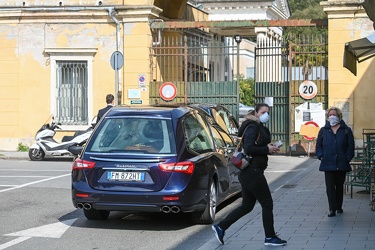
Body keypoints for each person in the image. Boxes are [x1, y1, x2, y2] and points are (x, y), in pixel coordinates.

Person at [212, 103, 287, 247]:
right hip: (252, 171)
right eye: (263, 112)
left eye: (268, 112)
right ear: (256, 113)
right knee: (267, 203)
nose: (266, 114)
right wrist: (266, 148)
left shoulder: (258, 126)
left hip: (249, 172)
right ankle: (270, 237)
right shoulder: (252, 126)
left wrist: (270, 147)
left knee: (247, 206)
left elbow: (256, 145)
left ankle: (221, 227)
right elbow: (249, 148)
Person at [316, 106, 355, 217]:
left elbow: (350, 146)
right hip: (327, 162)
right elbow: (318, 146)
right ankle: (332, 209)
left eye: (334, 115)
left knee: (339, 186)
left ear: (339, 116)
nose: (332, 117)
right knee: (330, 187)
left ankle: (339, 206)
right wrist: (321, 156)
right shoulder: (324, 130)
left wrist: (347, 158)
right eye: (330, 115)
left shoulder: (346, 130)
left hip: (341, 162)